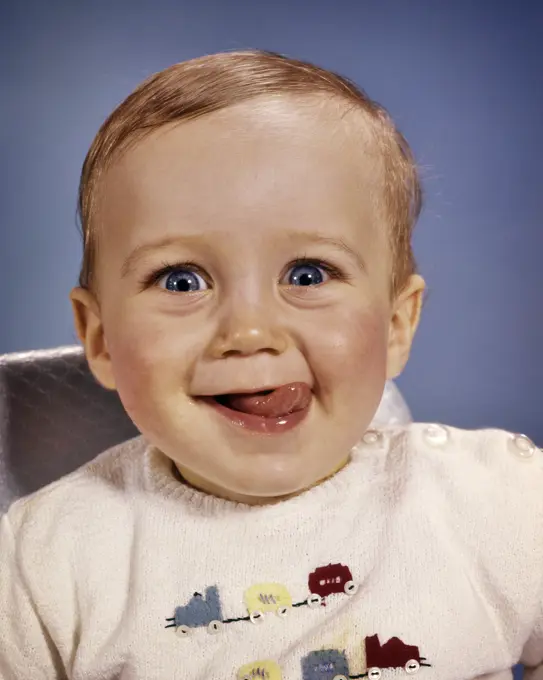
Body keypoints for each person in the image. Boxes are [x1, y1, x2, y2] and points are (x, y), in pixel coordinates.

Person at [0, 50, 541, 680]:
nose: (248, 332)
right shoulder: (41, 566)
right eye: (181, 280)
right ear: (99, 339)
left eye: (307, 274)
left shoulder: (496, 502)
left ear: (397, 326)